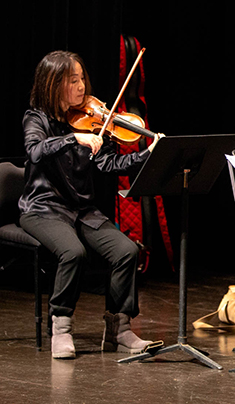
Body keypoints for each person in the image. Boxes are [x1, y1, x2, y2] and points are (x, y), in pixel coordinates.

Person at [20, 50, 163, 359]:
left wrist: (148, 153)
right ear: (53, 84)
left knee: (127, 251)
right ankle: (61, 328)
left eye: (82, 78)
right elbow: (34, 152)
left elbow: (109, 165)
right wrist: (75, 139)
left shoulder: (92, 122)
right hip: (42, 208)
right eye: (73, 80)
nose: (82, 86)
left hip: (81, 210)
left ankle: (119, 329)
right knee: (73, 252)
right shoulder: (36, 118)